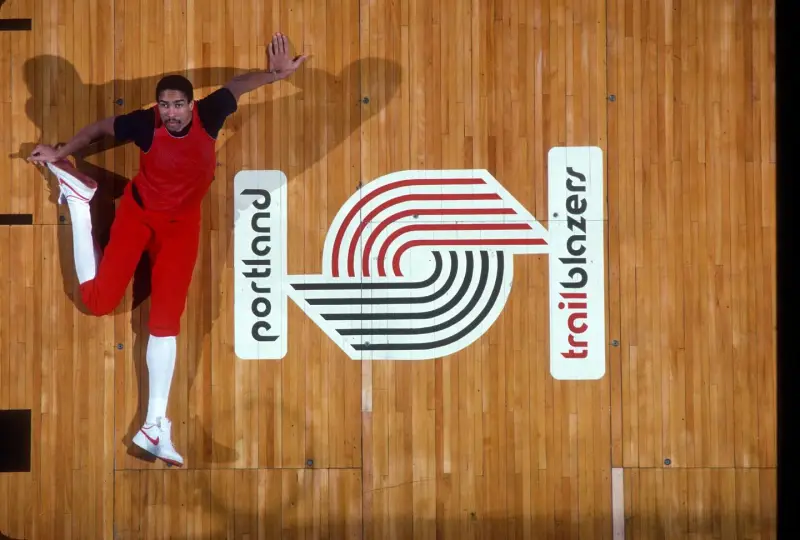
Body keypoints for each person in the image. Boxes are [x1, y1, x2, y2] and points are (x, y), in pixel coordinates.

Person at [27, 32, 307, 467]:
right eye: (165, 105)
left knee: (165, 324)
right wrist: (62, 151)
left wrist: (274, 76)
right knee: (97, 302)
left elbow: (236, 86)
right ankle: (80, 201)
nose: (171, 113)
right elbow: (101, 129)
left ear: (192, 106)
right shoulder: (145, 124)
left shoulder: (210, 113)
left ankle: (154, 424)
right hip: (137, 218)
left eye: (178, 105)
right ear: (158, 106)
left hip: (181, 231)